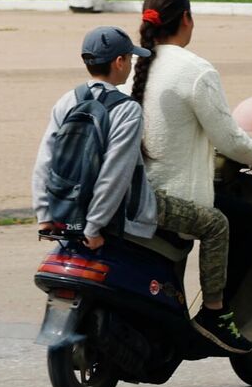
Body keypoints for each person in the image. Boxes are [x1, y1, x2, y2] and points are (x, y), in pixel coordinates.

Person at [132, 0, 252, 354]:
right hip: (174, 197)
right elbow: (228, 138)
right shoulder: (195, 70)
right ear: (186, 19)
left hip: (133, 191)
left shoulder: (130, 64)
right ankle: (216, 313)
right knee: (248, 220)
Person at [31, 26, 159, 249]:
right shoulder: (127, 109)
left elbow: (45, 160)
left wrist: (43, 215)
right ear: (119, 62)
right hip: (115, 219)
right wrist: (93, 226)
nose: (131, 65)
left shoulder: (68, 100)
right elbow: (115, 173)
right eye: (130, 59)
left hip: (65, 211)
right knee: (212, 224)